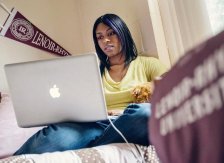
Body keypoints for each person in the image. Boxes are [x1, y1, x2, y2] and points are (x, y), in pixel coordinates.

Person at [14, 13, 167, 155]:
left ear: (123, 33)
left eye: (111, 33)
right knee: (51, 137)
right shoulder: (92, 71)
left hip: (126, 122)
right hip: (94, 125)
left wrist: (121, 112)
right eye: (99, 37)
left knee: (145, 113)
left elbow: (169, 97)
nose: (105, 40)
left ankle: (92, 146)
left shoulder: (149, 64)